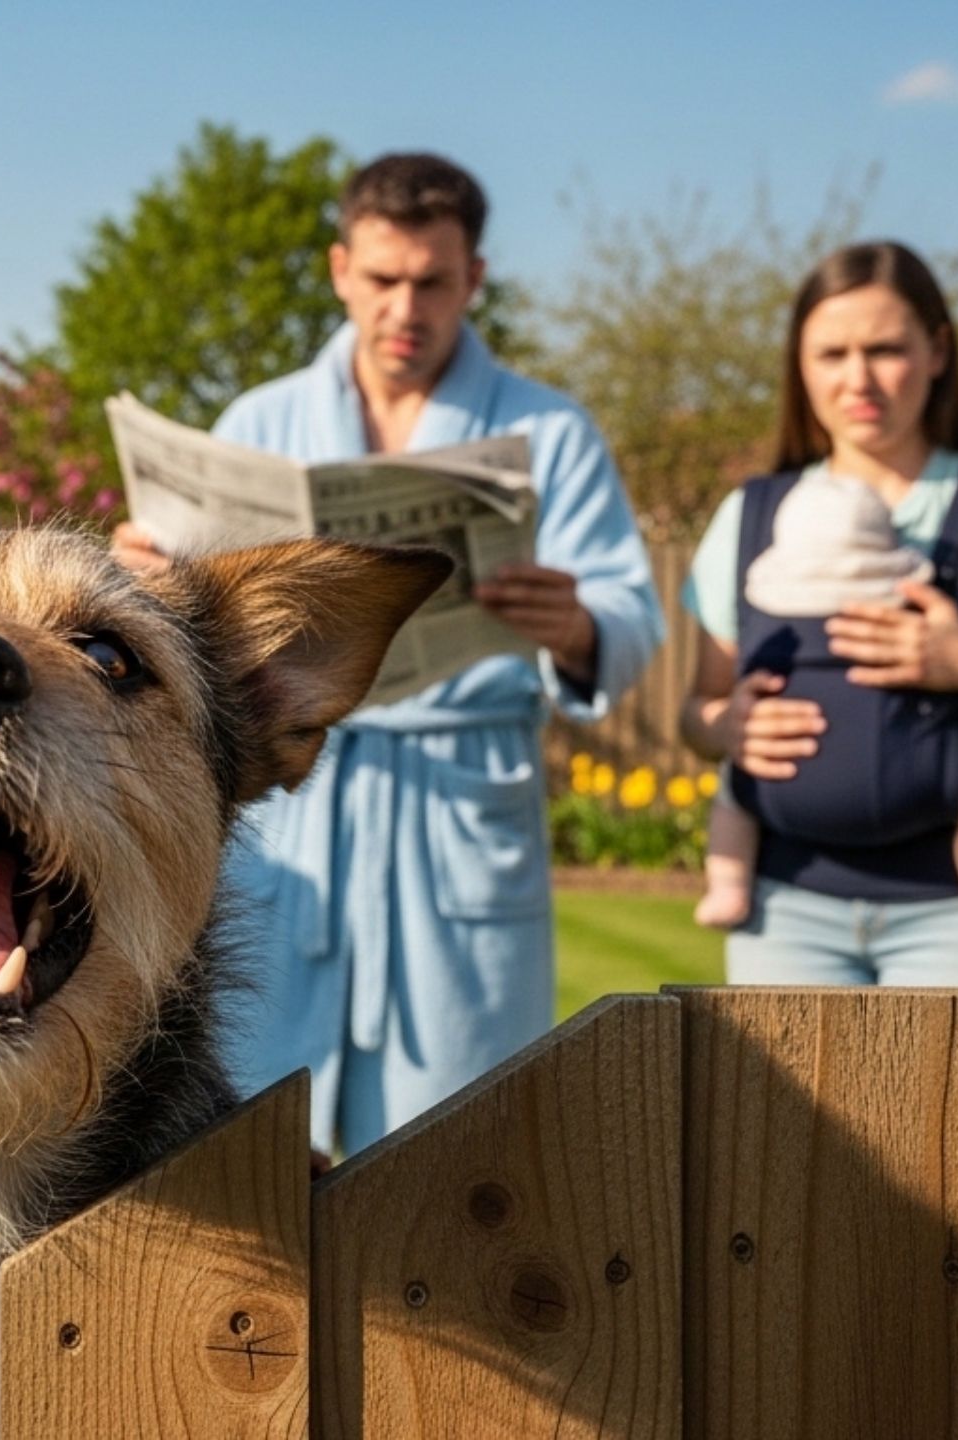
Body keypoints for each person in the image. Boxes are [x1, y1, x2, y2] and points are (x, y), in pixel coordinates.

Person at [112, 152, 664, 1153]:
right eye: (381, 280)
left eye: (432, 282)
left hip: (457, 801)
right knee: (252, 1138)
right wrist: (142, 578)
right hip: (298, 804)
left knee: (458, 1143)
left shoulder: (549, 431)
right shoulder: (262, 422)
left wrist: (573, 623)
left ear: (473, 280)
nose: (404, 307)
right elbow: (197, 627)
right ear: (339, 270)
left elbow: (630, 619)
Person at [677, 240, 958, 985]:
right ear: (800, 363)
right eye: (831, 354)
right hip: (782, 909)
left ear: (937, 351)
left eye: (886, 349)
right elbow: (697, 715)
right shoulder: (751, 514)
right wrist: (722, 724)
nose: (858, 379)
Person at [693, 471, 958, 946]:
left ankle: (727, 887)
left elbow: (709, 695)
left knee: (732, 791)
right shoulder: (904, 605)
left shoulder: (772, 616)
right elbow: (701, 713)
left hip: (779, 787)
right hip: (919, 775)